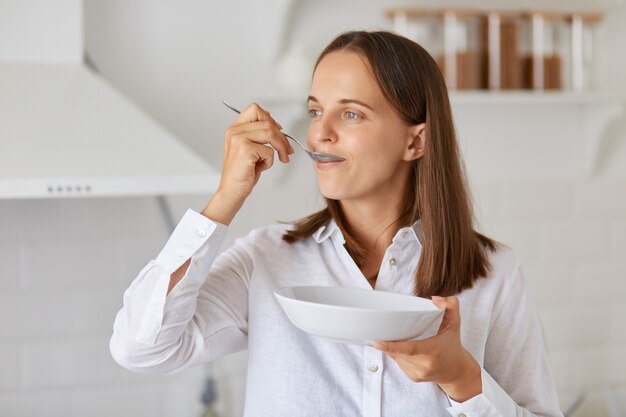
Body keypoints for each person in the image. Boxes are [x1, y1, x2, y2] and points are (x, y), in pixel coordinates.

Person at [110, 30, 563, 417]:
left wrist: (462, 378)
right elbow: (141, 348)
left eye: (351, 113)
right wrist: (226, 199)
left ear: (416, 140)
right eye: (314, 110)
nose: (319, 133)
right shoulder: (266, 259)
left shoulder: (493, 273)